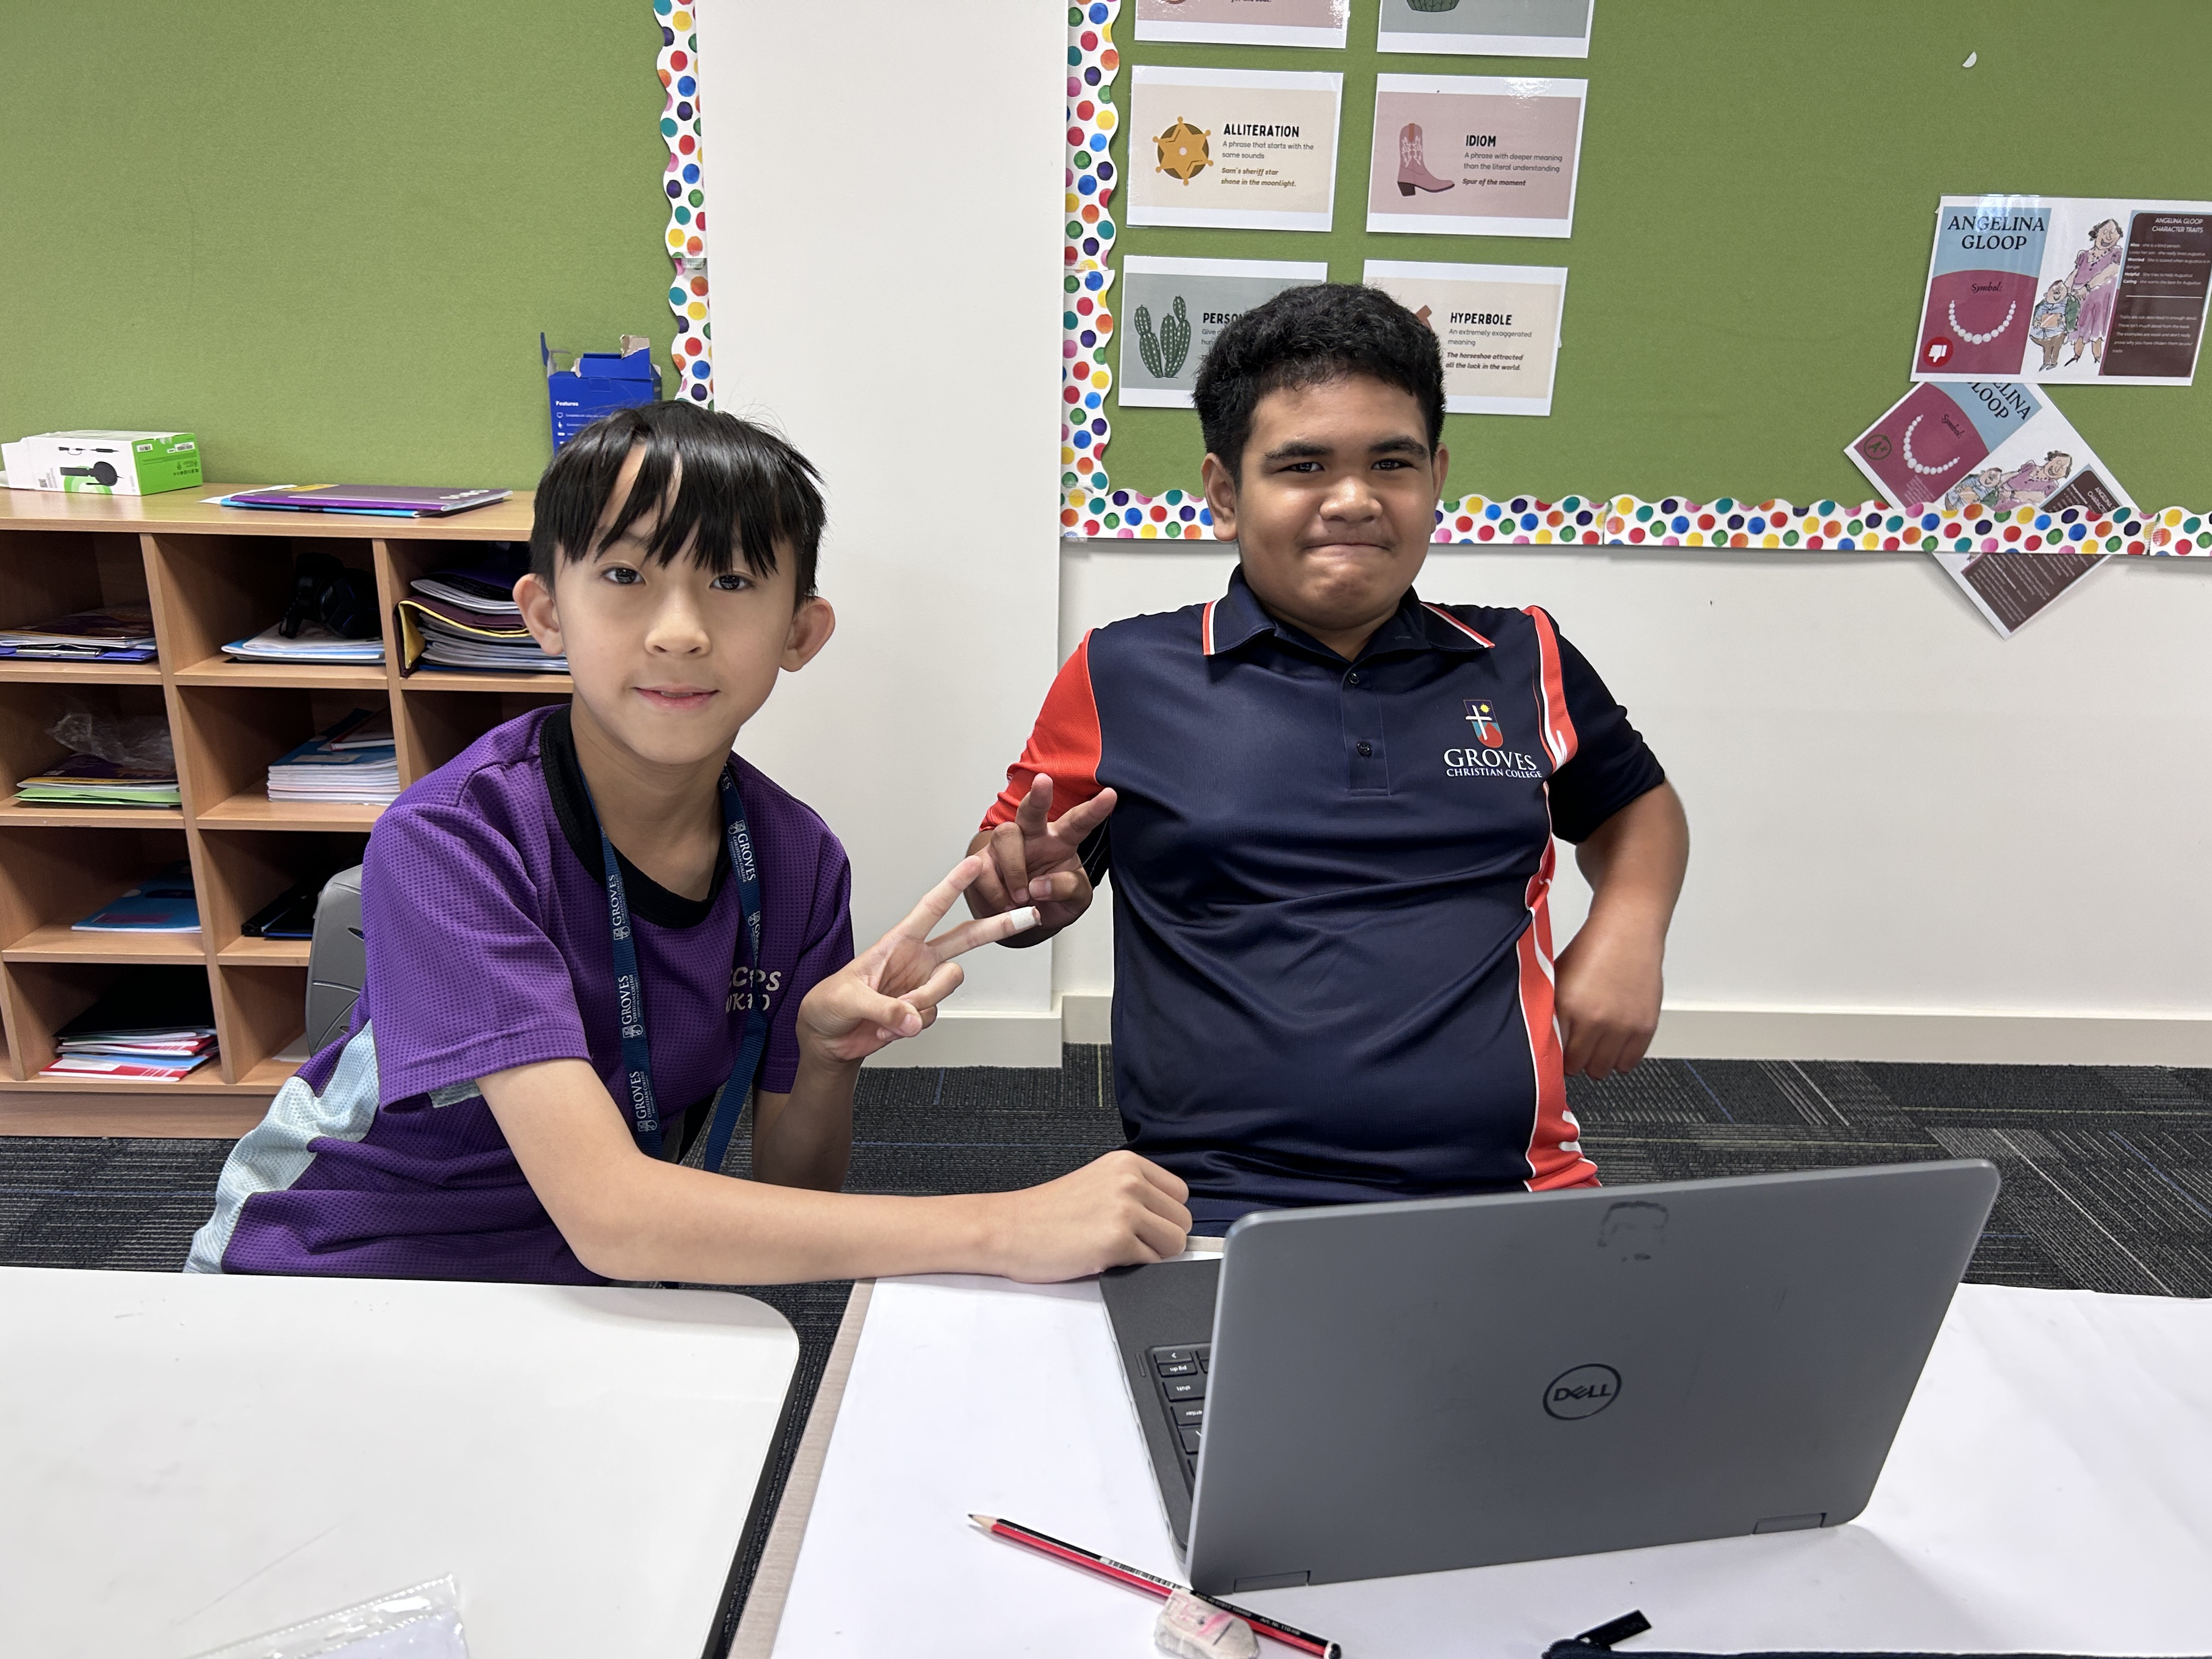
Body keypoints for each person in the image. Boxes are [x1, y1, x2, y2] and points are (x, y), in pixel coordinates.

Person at [187, 403, 1189, 1284]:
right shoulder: (456, 841)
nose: (679, 631)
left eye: (732, 580)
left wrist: (822, 1058)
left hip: (602, 1287)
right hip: (342, 1269)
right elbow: (613, 1213)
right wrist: (1003, 1226)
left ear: (801, 633)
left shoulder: (796, 860)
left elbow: (797, 1198)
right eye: (625, 574)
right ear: (544, 613)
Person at [965, 284, 1689, 1233]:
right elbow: (1006, 885)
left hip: (1513, 1187)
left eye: (1391, 462)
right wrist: (1025, 895)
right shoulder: (1122, 672)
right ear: (1226, 492)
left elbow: (1637, 806)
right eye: (1302, 465)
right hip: (1213, 1203)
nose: (1353, 500)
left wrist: (1631, 926)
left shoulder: (1525, 657)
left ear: (1435, 476)